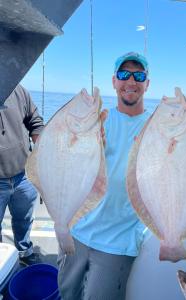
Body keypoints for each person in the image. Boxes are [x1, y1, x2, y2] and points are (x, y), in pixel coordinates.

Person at [57, 52, 151, 300]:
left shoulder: (155, 127)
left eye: (139, 75)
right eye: (124, 74)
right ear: (114, 81)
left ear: (147, 84)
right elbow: (67, 167)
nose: (131, 81)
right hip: (77, 230)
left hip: (119, 240)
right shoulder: (98, 120)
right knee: (67, 294)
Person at [0, 84, 44, 265]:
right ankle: (3, 263)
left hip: (23, 174)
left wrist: (44, 153)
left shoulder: (18, 90)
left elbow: (36, 122)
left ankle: (24, 252)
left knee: (24, 219)